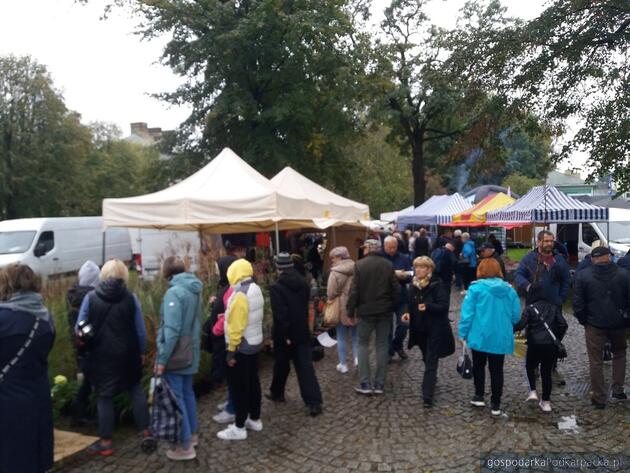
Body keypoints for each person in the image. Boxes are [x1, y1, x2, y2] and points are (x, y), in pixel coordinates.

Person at [75, 259, 155, 456]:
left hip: (101, 355)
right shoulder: (131, 298)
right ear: (124, 276)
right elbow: (140, 331)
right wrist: (142, 351)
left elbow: (80, 327)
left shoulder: (91, 298)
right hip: (128, 353)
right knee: (135, 389)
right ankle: (146, 432)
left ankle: (106, 442)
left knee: (105, 396)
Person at [0, 264, 54, 473]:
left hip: (7, 401)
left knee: (10, 458)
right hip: (37, 396)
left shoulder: (4, 320)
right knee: (33, 457)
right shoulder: (46, 317)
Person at [155, 256, 203, 461]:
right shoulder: (194, 289)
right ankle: (192, 435)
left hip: (177, 353)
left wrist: (162, 359)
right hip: (191, 349)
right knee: (187, 393)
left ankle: (184, 446)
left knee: (177, 398)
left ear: (167, 272)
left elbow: (172, 330)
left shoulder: (174, 292)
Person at [459, 258, 521, 416]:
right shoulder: (510, 290)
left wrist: (463, 333)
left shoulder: (475, 289)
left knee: (479, 366)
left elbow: (467, 314)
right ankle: (496, 404)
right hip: (500, 336)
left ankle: (479, 395)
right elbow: (516, 317)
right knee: (497, 370)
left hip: (480, 335)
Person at [573, 246, 630, 409]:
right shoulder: (624, 274)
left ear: (593, 259)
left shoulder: (583, 276)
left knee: (596, 360)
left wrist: (584, 320)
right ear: (609, 257)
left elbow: (578, 303)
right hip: (618, 322)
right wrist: (626, 319)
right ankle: (618, 389)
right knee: (619, 354)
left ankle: (599, 397)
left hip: (594, 324)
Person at [267, 253, 323, 416]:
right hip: (302, 330)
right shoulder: (303, 283)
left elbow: (281, 316)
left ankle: (277, 393)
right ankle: (314, 402)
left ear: (278, 268)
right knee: (305, 367)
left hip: (286, 334)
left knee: (281, 365)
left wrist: (284, 336)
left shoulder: (276, 287)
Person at [515, 230, 570, 386]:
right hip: (534, 305)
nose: (549, 244)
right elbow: (518, 275)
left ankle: (552, 368)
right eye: (546, 241)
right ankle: (533, 367)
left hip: (554, 305)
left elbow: (566, 280)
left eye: (551, 241)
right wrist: (527, 285)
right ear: (538, 242)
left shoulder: (559, 260)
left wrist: (562, 298)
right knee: (532, 337)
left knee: (554, 337)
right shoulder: (529, 259)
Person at [217, 258, 264, 440]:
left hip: (241, 348)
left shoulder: (240, 294)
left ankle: (239, 427)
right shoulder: (255, 288)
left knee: (239, 387)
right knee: (253, 383)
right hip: (254, 343)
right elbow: (250, 316)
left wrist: (230, 351)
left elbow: (237, 326)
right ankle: (255, 418)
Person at [347, 239, 400, 395]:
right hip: (384, 311)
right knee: (382, 344)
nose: (363, 250)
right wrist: (392, 306)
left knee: (362, 344)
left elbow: (354, 291)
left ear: (368, 249)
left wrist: (350, 311)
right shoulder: (387, 264)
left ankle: (365, 383)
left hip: (366, 311)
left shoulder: (360, 265)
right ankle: (379, 384)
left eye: (364, 248)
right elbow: (396, 289)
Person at [401, 256, 455, 408]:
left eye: (422, 267)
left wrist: (428, 306)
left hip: (435, 329)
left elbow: (443, 306)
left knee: (431, 360)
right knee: (426, 357)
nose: (418, 270)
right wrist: (407, 312)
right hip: (419, 329)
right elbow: (408, 303)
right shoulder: (413, 285)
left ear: (429, 269)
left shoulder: (437, 285)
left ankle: (427, 396)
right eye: (416, 267)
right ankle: (431, 379)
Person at [514, 285, 567, 412]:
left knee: (529, 366)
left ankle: (533, 391)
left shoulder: (530, 309)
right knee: (546, 373)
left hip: (534, 344)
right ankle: (546, 402)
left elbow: (521, 325)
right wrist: (557, 337)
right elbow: (563, 324)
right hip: (550, 346)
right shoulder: (553, 308)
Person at [66, 260, 100, 426]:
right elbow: (86, 325)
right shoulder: (91, 297)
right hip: (91, 345)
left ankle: (79, 414)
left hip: (79, 345)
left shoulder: (73, 295)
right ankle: (80, 415)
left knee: (87, 380)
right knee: (91, 381)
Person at [381, 235, 413, 360]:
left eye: (394, 247)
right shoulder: (380, 258)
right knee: (387, 327)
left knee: (405, 323)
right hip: (386, 297)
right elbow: (379, 276)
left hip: (402, 297)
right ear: (384, 247)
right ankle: (389, 352)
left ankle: (397, 345)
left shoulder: (404, 258)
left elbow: (411, 274)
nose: (392, 250)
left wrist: (404, 276)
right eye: (389, 247)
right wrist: (394, 274)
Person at [326, 246, 357, 373]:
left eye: (333, 257)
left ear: (339, 257)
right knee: (356, 336)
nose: (332, 260)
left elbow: (331, 293)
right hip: (356, 305)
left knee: (341, 337)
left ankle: (343, 365)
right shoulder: (357, 268)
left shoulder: (335, 272)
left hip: (341, 307)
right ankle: (357, 359)